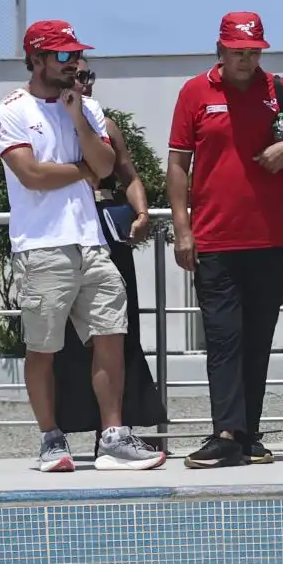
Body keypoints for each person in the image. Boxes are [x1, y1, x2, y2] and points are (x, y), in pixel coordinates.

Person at [0, 20, 164, 473]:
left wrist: (75, 121)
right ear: (38, 59)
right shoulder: (9, 110)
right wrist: (81, 170)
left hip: (91, 241)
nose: (73, 65)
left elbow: (105, 165)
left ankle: (112, 437)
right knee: (42, 347)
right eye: (63, 57)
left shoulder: (86, 108)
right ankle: (51, 440)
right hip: (42, 246)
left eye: (75, 57)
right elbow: (32, 175)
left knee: (111, 335)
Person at [168, 12, 283, 468]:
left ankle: (246, 433)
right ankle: (227, 433)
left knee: (257, 339)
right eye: (238, 51)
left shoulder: (279, 90)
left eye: (253, 51)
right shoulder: (195, 92)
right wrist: (182, 228)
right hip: (214, 238)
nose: (246, 59)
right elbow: (178, 164)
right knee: (223, 339)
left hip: (270, 238)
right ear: (221, 49)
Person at [51, 63, 169, 444]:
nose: (83, 82)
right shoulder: (42, 121)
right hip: (61, 230)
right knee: (64, 336)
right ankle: (63, 431)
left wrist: (142, 213)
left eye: (88, 76)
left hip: (103, 227)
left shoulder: (104, 123)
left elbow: (128, 175)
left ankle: (118, 427)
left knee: (118, 329)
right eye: (76, 75)